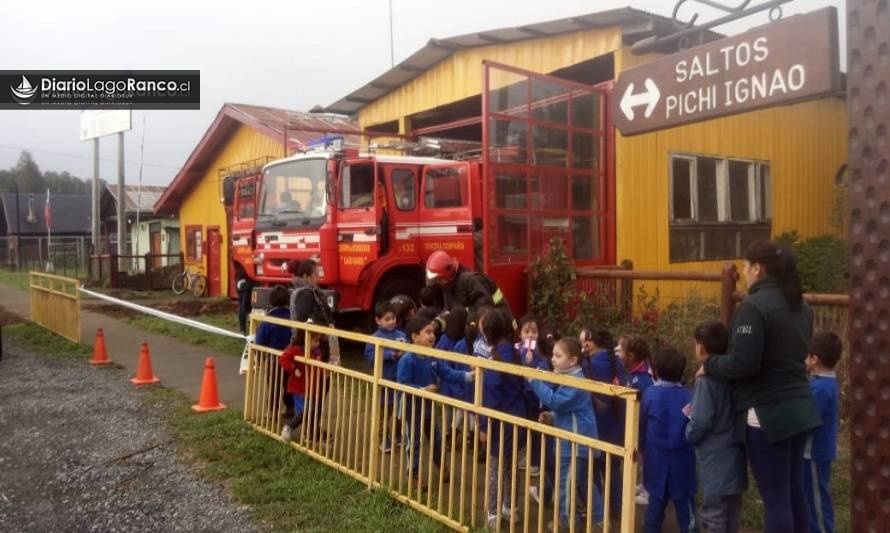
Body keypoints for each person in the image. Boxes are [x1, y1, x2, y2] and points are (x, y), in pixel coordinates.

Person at [702, 240, 821, 533]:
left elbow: (743, 363)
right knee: (794, 493)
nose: (743, 272)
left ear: (758, 268)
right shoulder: (801, 306)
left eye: (745, 266)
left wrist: (710, 364)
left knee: (776, 500)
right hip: (800, 408)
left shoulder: (754, 307)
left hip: (767, 414)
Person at [525, 337, 598, 529]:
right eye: (552, 355)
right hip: (573, 440)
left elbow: (556, 401)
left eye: (558, 356)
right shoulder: (571, 378)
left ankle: (567, 522)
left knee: (566, 485)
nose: (553, 359)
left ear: (573, 360)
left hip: (573, 443)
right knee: (582, 482)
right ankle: (599, 518)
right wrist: (551, 416)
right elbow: (568, 410)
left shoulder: (575, 381)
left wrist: (534, 380)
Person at [396, 316, 473, 489]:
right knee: (414, 442)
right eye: (428, 332)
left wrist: (468, 376)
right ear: (415, 337)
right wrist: (421, 390)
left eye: (433, 332)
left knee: (437, 439)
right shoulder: (407, 360)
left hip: (428, 407)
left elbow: (448, 373)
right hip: (411, 408)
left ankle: (439, 464)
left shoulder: (434, 356)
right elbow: (402, 384)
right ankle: (413, 474)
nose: (433, 336)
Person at [687, 321, 747, 533]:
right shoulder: (734, 374)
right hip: (735, 453)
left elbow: (701, 420)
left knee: (713, 517)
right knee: (731, 516)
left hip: (714, 460)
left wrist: (689, 433)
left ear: (701, 347)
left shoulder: (706, 380)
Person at [477, 307, 526, 528]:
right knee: (511, 466)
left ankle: (493, 514)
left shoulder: (495, 358)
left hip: (501, 420)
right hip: (518, 416)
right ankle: (511, 507)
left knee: (496, 468)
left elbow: (493, 393)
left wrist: (485, 425)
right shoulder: (515, 352)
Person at [641, 346, 696, 533]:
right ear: (683, 371)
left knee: (655, 504)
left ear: (655, 370)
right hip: (683, 461)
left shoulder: (649, 394)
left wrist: (641, 449)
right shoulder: (689, 396)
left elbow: (641, 425)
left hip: (655, 460)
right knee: (685, 507)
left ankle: (651, 528)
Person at [579, 326, 625, 519]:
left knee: (593, 469)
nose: (581, 346)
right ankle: (618, 509)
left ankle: (597, 510)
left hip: (595, 425)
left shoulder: (589, 365)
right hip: (616, 424)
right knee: (613, 469)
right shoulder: (616, 362)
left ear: (590, 343)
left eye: (582, 342)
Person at [804, 331, 842, 533]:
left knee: (817, 502)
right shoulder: (826, 384)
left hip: (814, 453)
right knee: (811, 498)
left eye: (807, 356)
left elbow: (807, 420)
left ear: (814, 359)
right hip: (816, 453)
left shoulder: (819, 388)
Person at [364, 301, 408, 453]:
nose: (391, 322)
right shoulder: (375, 337)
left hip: (400, 381)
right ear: (378, 320)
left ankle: (398, 435)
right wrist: (390, 355)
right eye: (387, 319)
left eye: (393, 318)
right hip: (383, 382)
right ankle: (383, 439)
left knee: (400, 412)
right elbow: (369, 355)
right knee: (384, 413)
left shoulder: (401, 336)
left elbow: (409, 350)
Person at [425, 250, 514, 324]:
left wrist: (460, 315)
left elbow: (484, 309)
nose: (438, 282)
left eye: (439, 279)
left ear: (448, 274)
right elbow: (450, 311)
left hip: (501, 326)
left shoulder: (471, 280)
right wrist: (438, 322)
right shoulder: (448, 286)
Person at [618, 334, 654, 506]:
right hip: (636, 427)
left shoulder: (643, 380)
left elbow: (646, 407)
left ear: (631, 356)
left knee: (646, 459)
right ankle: (645, 484)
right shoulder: (632, 373)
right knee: (641, 459)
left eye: (621, 351)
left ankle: (648, 492)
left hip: (643, 428)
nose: (618, 353)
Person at [288, 258, 338, 364]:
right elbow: (303, 320)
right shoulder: (306, 293)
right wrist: (322, 332)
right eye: (315, 275)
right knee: (319, 378)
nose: (318, 278)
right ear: (306, 277)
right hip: (314, 346)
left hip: (312, 343)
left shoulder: (301, 291)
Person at [256, 286, 295, 417]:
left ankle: (272, 411)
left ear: (270, 301)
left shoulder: (267, 319)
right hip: (291, 358)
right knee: (289, 384)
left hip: (274, 360)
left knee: (274, 385)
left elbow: (260, 341)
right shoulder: (293, 318)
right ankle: (290, 408)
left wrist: (259, 357)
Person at [278, 331, 324, 442]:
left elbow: (318, 369)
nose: (318, 344)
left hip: (310, 388)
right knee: (306, 410)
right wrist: (293, 369)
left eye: (319, 341)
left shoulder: (316, 353)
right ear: (306, 340)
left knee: (307, 411)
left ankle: (306, 433)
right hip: (299, 388)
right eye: (316, 341)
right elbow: (283, 358)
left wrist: (324, 371)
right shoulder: (296, 350)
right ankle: (288, 427)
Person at [235, 268, 254, 335]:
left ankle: (251, 327)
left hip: (252, 278)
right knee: (243, 305)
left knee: (250, 305)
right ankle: (242, 329)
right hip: (243, 278)